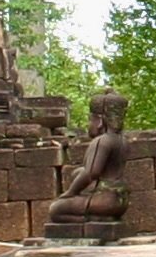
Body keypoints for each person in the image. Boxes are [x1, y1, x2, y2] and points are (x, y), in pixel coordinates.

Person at [46, 94, 129, 234]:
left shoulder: (102, 141)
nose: (88, 125)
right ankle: (102, 218)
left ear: (100, 121)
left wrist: (70, 192)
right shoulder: (122, 141)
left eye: (91, 119)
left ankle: (92, 220)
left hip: (104, 200)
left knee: (56, 209)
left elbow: (91, 173)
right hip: (121, 202)